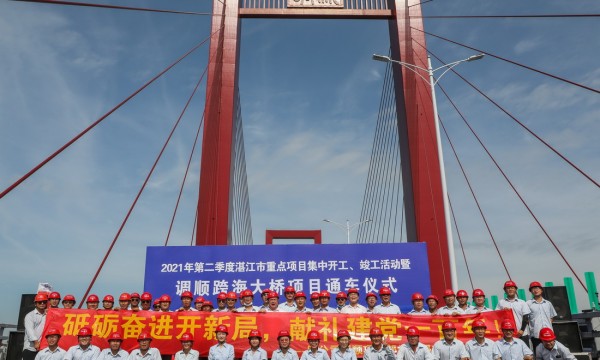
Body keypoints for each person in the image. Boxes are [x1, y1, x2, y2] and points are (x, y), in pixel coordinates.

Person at [496, 281, 531, 345]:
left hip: (522, 334)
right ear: (505, 290)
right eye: (508, 288)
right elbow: (496, 317)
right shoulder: (501, 303)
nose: (510, 289)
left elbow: (526, 317)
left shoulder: (522, 302)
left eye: (512, 288)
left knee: (525, 354)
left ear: (515, 289)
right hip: (508, 334)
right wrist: (502, 312)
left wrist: (522, 330)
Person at [527, 282, 556, 353]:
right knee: (538, 355)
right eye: (533, 289)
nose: (535, 290)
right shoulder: (528, 303)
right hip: (536, 335)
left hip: (549, 335)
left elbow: (552, 317)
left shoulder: (548, 303)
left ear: (541, 290)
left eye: (537, 288)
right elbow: (526, 319)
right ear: (531, 291)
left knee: (551, 354)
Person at [23, 293, 48, 360]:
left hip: (43, 349)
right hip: (31, 348)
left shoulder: (48, 315)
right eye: (40, 302)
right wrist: (36, 342)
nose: (42, 303)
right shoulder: (30, 316)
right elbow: (29, 330)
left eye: (44, 302)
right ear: (35, 303)